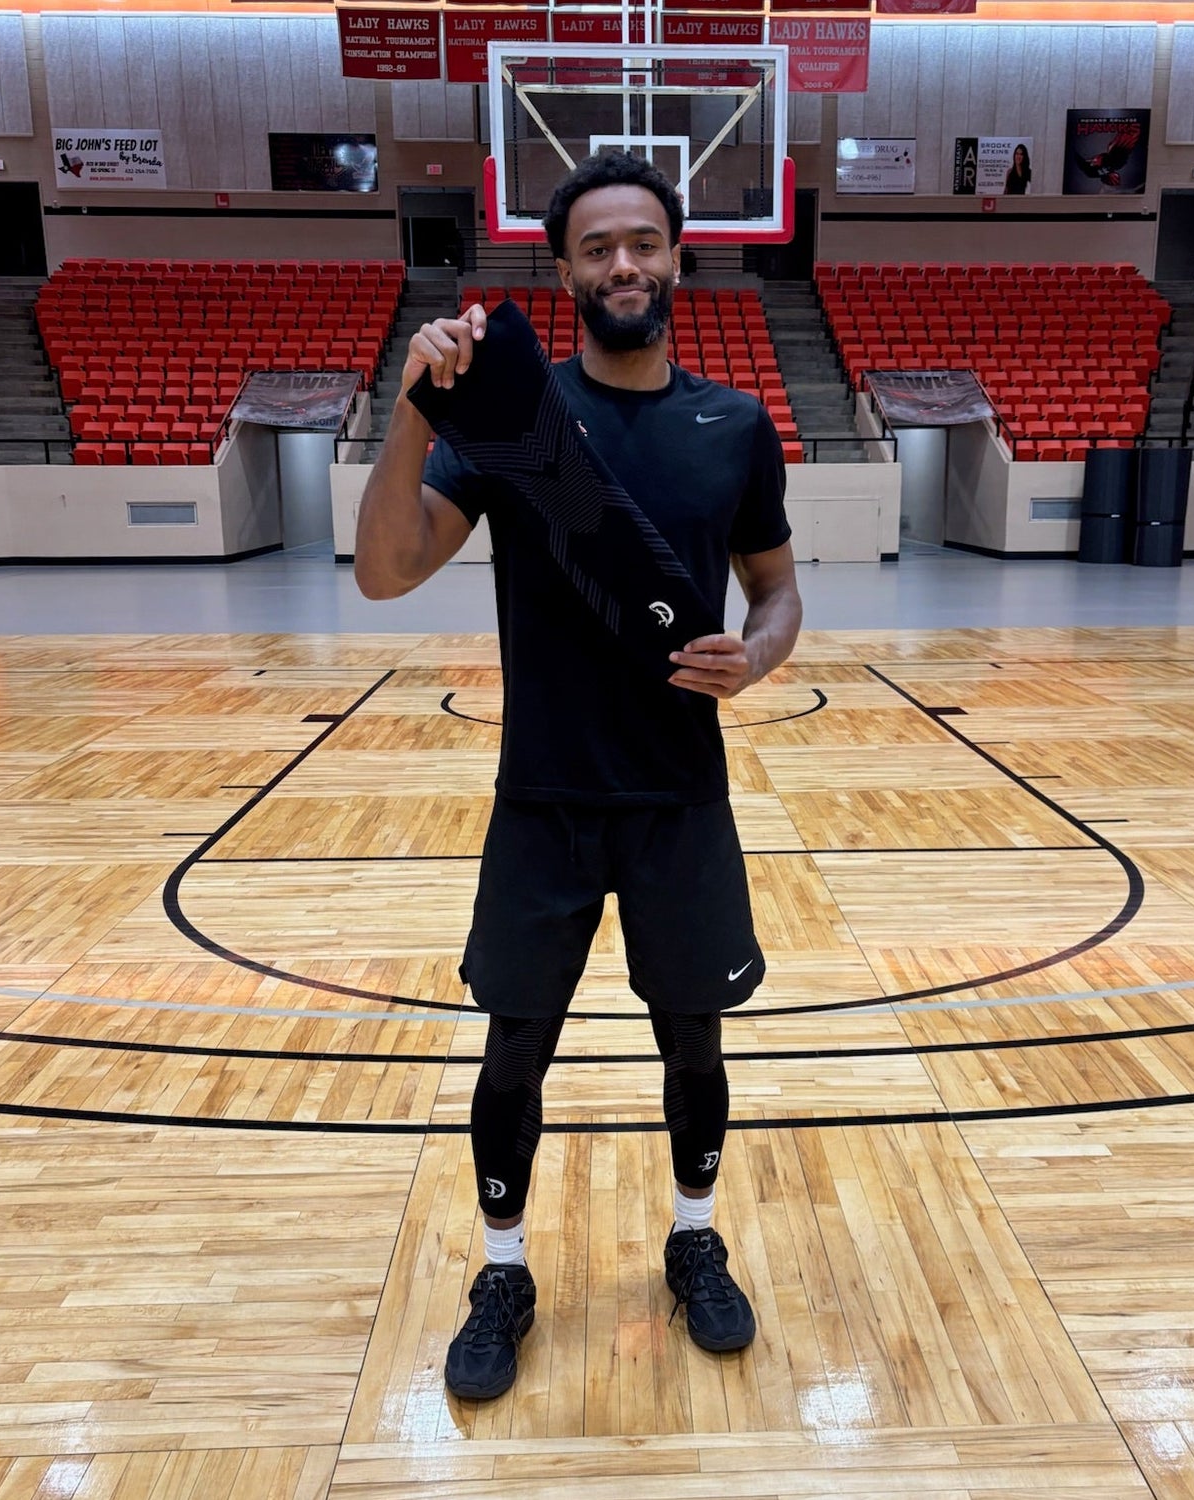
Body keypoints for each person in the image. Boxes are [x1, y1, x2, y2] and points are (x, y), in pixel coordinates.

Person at [353, 152, 802, 1401]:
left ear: (677, 260)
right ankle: (504, 1270)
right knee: (513, 1053)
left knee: (695, 1042)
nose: (623, 264)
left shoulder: (734, 426)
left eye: (643, 242)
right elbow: (385, 572)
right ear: (563, 273)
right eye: (597, 248)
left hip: (679, 798)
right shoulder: (518, 414)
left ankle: (694, 1239)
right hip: (544, 798)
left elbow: (776, 590)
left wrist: (758, 655)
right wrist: (413, 409)